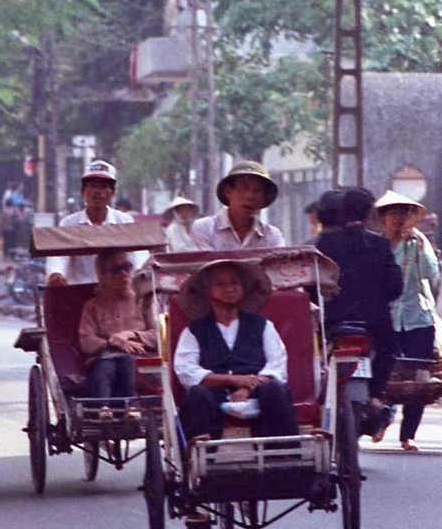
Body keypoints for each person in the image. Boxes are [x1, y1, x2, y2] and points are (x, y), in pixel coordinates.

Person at [174, 260, 299, 443]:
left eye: (234, 283)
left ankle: (286, 452)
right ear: (208, 292)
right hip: (214, 395)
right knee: (197, 395)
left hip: (258, 391)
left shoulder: (262, 325)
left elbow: (277, 365)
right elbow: (187, 371)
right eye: (220, 284)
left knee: (274, 389)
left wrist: (246, 388)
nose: (229, 289)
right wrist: (233, 379)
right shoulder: (193, 331)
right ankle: (197, 455)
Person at [314, 188, 403, 441]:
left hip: (333, 320)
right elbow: (394, 287)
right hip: (374, 323)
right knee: (388, 350)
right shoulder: (381, 244)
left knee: (320, 358)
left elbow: (314, 285)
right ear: (369, 213)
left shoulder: (325, 244)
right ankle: (375, 397)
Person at [376, 189, 440, 452]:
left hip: (418, 318)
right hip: (387, 318)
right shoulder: (376, 244)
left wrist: (421, 245)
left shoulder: (418, 242)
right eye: (392, 213)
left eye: (403, 213)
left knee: (417, 378)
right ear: (383, 217)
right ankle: (382, 419)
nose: (398, 219)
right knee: (386, 373)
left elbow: (430, 273)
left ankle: (408, 434)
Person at [75, 250, 157, 401]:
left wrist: (130, 335)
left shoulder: (143, 301)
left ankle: (130, 409)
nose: (125, 273)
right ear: (103, 275)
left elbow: (158, 335)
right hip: (104, 359)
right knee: (107, 365)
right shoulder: (92, 306)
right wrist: (111, 342)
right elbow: (86, 341)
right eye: (117, 269)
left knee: (126, 362)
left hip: (140, 360)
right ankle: (103, 410)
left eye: (127, 267)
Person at [46, 160, 134, 286]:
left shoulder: (124, 221)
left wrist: (142, 271)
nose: (98, 192)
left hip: (115, 291)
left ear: (113, 192)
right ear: (83, 191)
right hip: (78, 292)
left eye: (103, 187)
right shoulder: (69, 223)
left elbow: (136, 256)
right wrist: (56, 273)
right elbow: (59, 256)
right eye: (93, 186)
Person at [190, 161, 284, 250]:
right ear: (228, 191)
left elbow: (277, 265)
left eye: (258, 191)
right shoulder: (205, 229)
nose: (250, 196)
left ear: (264, 198)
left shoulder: (271, 236)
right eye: (243, 188)